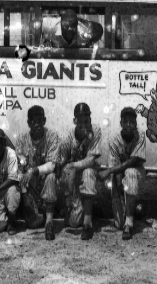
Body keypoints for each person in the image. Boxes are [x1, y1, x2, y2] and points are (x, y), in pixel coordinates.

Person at [98, 107, 146, 240]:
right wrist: (119, 186)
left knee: (130, 173)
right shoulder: (114, 140)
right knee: (118, 223)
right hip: (119, 174)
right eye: (126, 121)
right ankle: (130, 211)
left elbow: (134, 160)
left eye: (132, 121)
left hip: (136, 173)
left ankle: (129, 223)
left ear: (136, 124)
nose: (129, 124)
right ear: (121, 123)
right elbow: (115, 166)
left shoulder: (140, 135)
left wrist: (108, 171)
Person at [57, 102, 102, 240]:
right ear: (74, 121)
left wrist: (73, 166)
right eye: (80, 120)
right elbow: (62, 162)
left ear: (90, 119)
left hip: (89, 173)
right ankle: (71, 207)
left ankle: (88, 224)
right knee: (74, 223)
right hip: (73, 176)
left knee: (88, 172)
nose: (84, 124)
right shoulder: (68, 138)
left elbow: (90, 160)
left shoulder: (96, 131)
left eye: (86, 120)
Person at [15, 105, 60, 241]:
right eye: (33, 121)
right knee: (32, 224)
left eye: (40, 121)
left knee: (51, 176)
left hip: (46, 182)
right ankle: (40, 212)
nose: (37, 125)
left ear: (44, 121)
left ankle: (49, 222)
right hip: (31, 186)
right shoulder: (22, 140)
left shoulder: (52, 136)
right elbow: (20, 171)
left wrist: (34, 170)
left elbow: (52, 165)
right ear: (28, 123)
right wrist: (24, 194)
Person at [0, 129, 21, 235]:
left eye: (0, 142)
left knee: (12, 192)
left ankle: (11, 221)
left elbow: (12, 179)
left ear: (4, 142)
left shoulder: (10, 154)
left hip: (8, 189)